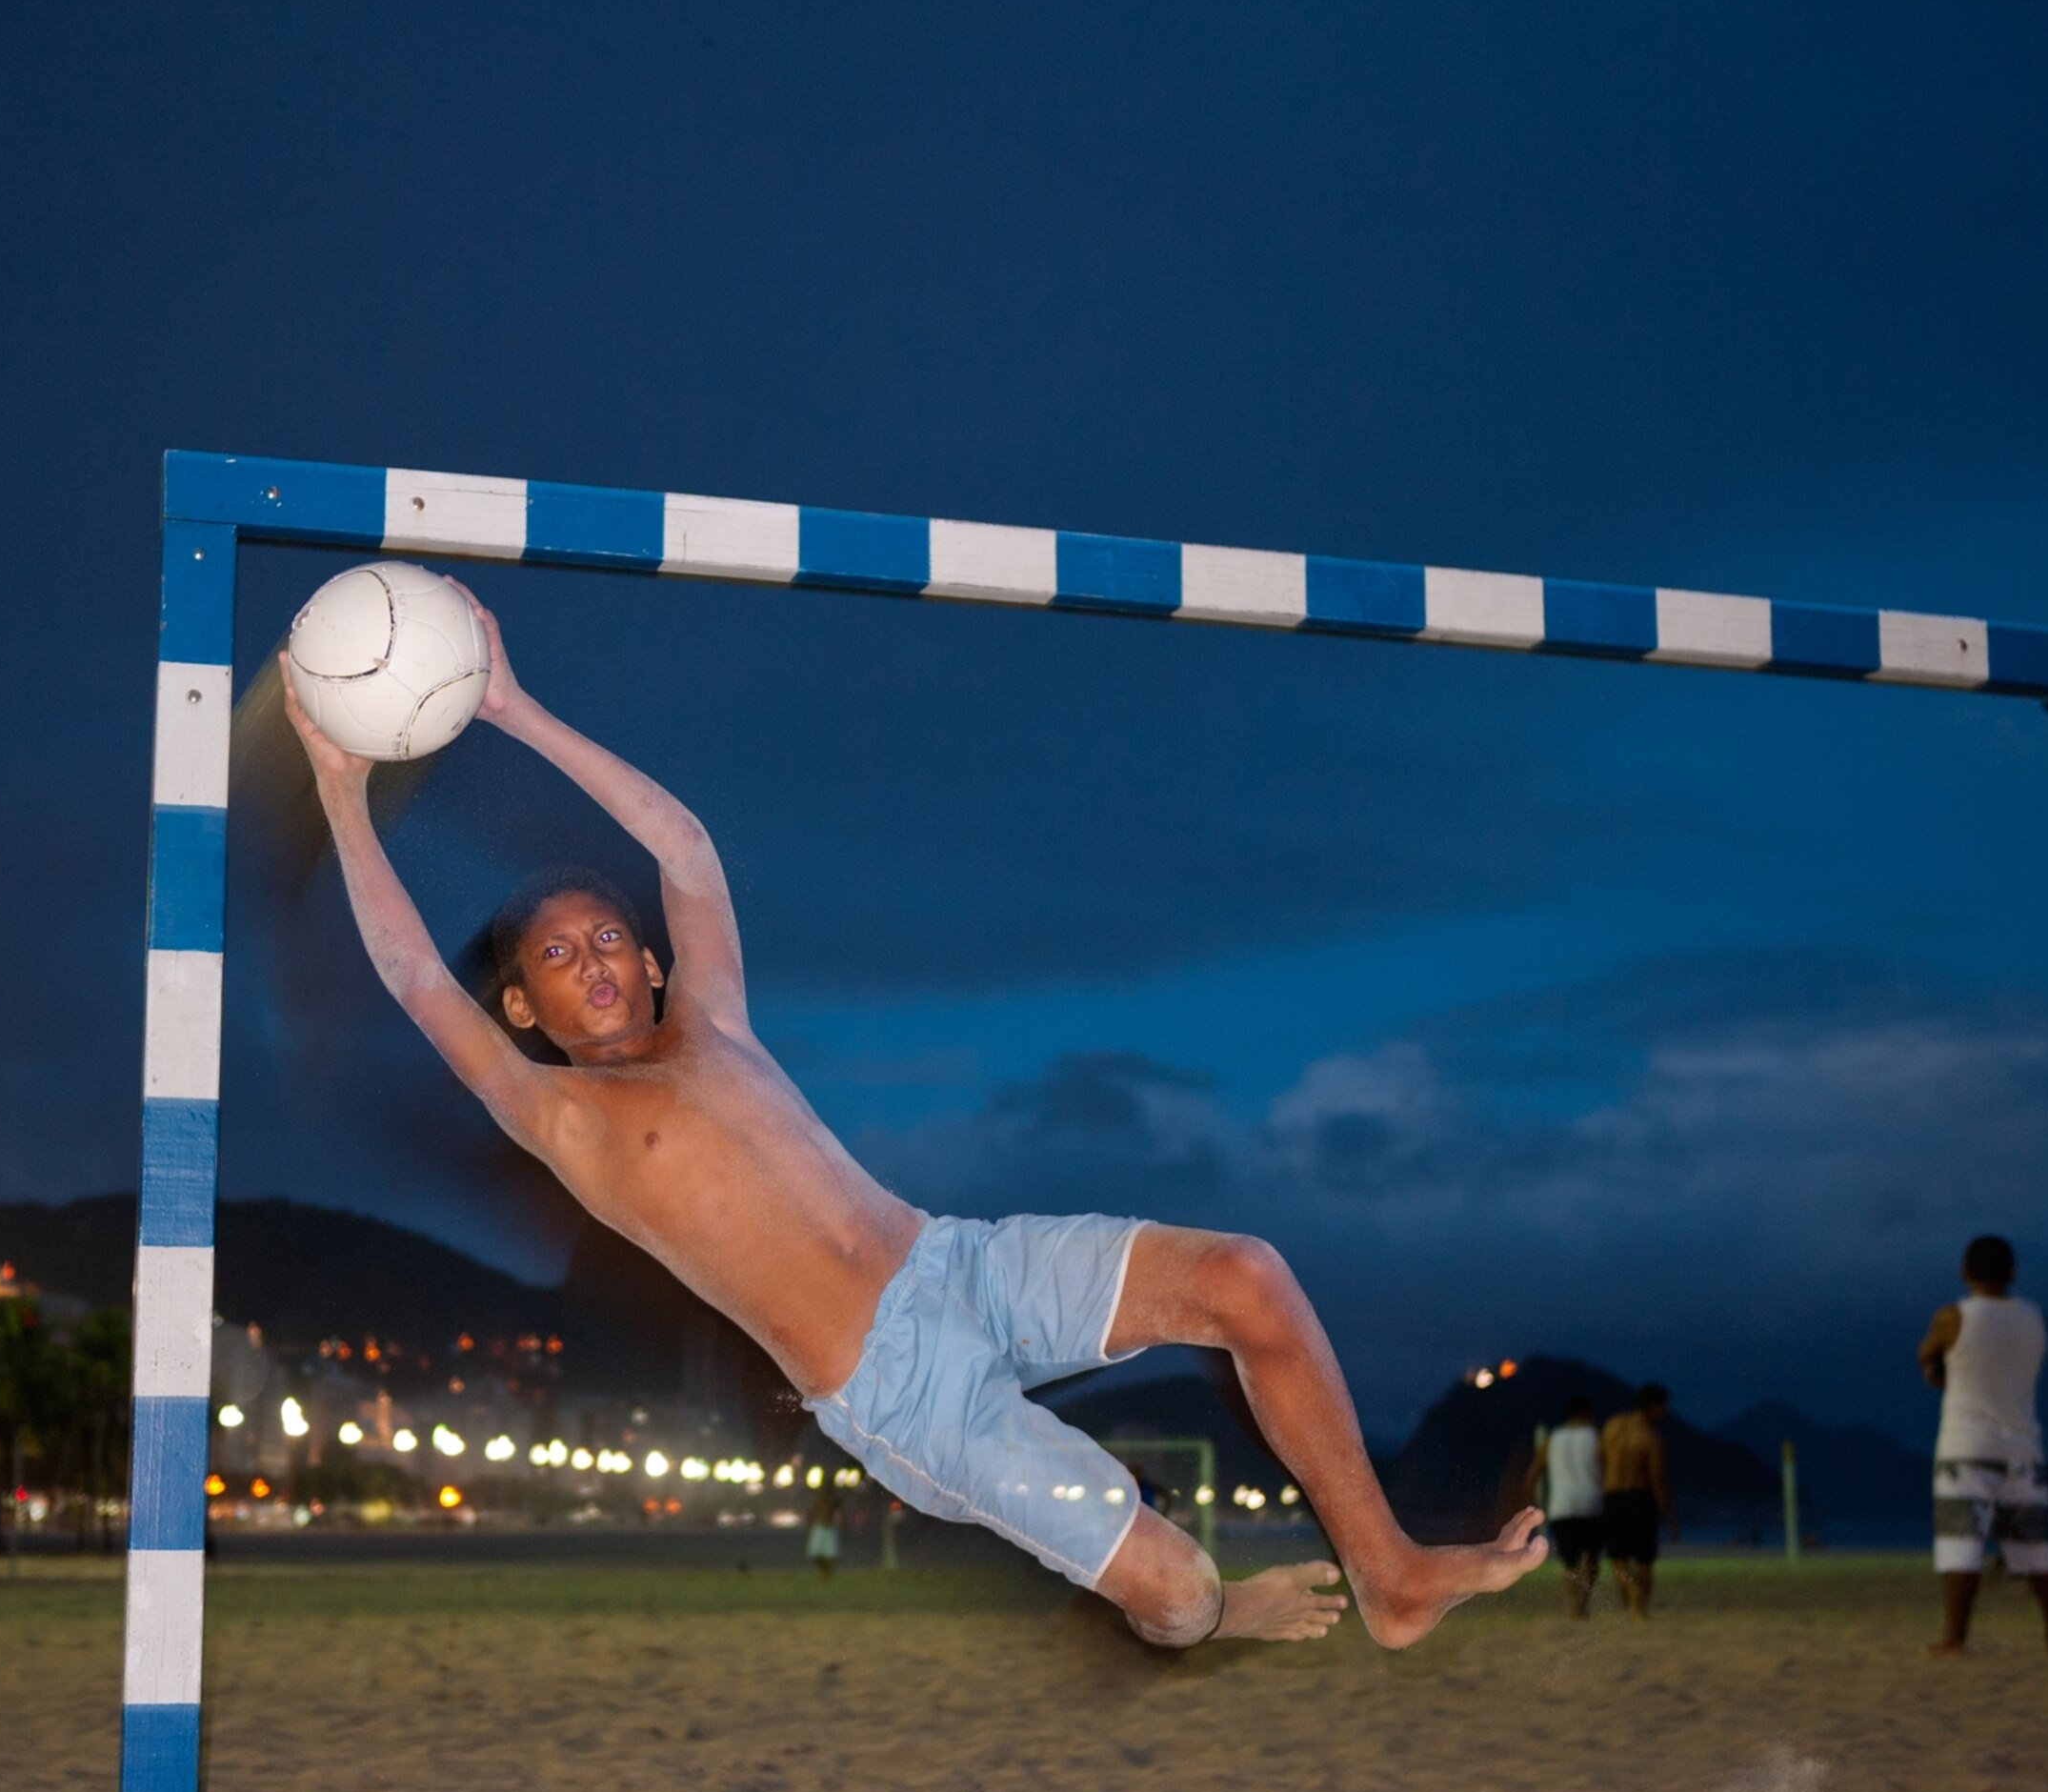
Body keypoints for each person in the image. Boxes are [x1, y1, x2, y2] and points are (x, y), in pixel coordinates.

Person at [285, 586, 1545, 1650]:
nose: (598, 957)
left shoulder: (712, 1022)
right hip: (902, 1392)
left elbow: (687, 849)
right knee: (1182, 1588)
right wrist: (345, 794)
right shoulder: (556, 1116)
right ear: (518, 1002)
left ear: (655, 964)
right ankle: (1222, 1620)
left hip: (961, 1262)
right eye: (560, 955)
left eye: (612, 936)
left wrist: (512, 706)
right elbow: (408, 977)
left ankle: (1388, 1571)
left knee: (1246, 1277)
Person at [1917, 1235, 2048, 1655]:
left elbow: (1925, 1355)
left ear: (1964, 1272)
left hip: (1965, 1445)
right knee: (2039, 1547)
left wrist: (1939, 1376)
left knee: (1961, 1544)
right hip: (2023, 1447)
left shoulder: (1953, 1317)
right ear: (2013, 1273)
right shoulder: (2034, 1316)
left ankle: (1955, 1636)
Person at [1527, 1397, 1605, 1618]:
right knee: (1591, 1559)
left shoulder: (1551, 1441)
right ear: (1585, 1414)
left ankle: (1574, 1604)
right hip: (1592, 1505)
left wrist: (1533, 1506)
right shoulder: (1596, 1437)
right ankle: (1584, 1602)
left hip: (1561, 1508)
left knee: (1570, 1563)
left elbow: (1532, 1476)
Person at [1598, 1383, 1672, 1618]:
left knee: (1618, 1557)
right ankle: (1639, 1603)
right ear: (1652, 1406)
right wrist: (1669, 1516)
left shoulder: (1612, 1426)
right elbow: (1657, 1479)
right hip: (1640, 1498)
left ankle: (1629, 1596)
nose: (1665, 1413)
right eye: (1663, 1407)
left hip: (1613, 1496)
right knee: (1644, 1559)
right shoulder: (1651, 1437)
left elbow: (1598, 1458)